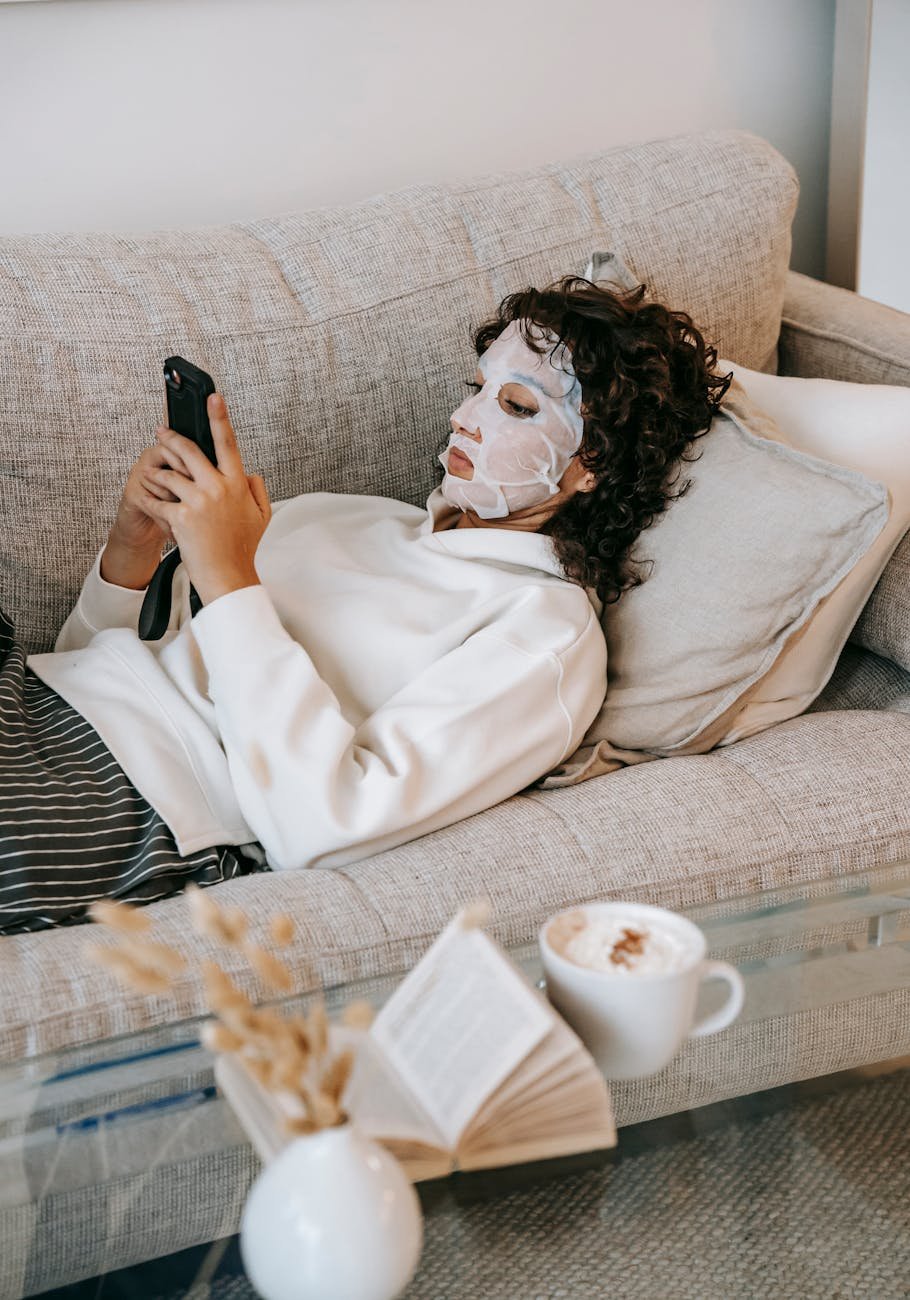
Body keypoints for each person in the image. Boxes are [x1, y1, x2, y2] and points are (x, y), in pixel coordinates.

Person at [0, 276, 729, 934]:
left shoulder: (544, 634)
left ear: (592, 463)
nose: (465, 417)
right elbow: (79, 668)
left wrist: (228, 579)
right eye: (476, 387)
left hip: (126, 799)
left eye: (514, 405)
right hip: (29, 697)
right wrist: (131, 551)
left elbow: (321, 826)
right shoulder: (344, 516)